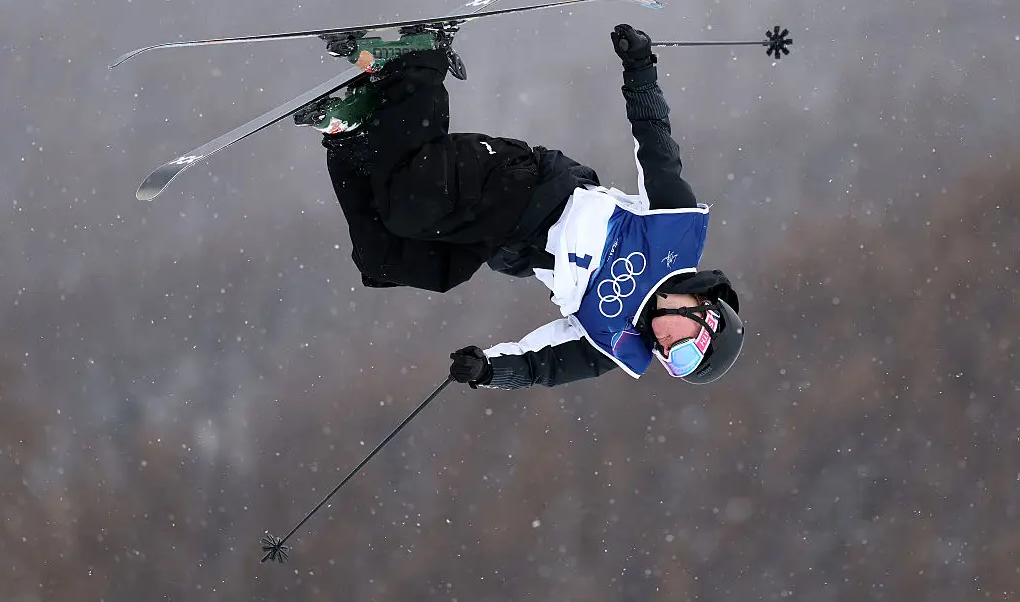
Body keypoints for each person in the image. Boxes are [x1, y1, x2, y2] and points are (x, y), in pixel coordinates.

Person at [297, 24, 744, 390]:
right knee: (410, 203)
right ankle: (419, 62)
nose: (667, 351)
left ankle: (351, 135)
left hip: (505, 241)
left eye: (673, 365)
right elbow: (655, 142)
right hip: (529, 186)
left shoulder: (619, 344)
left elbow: (542, 365)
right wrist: (640, 68)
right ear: (703, 313)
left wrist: (488, 370)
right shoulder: (676, 233)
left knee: (388, 264)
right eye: (684, 351)